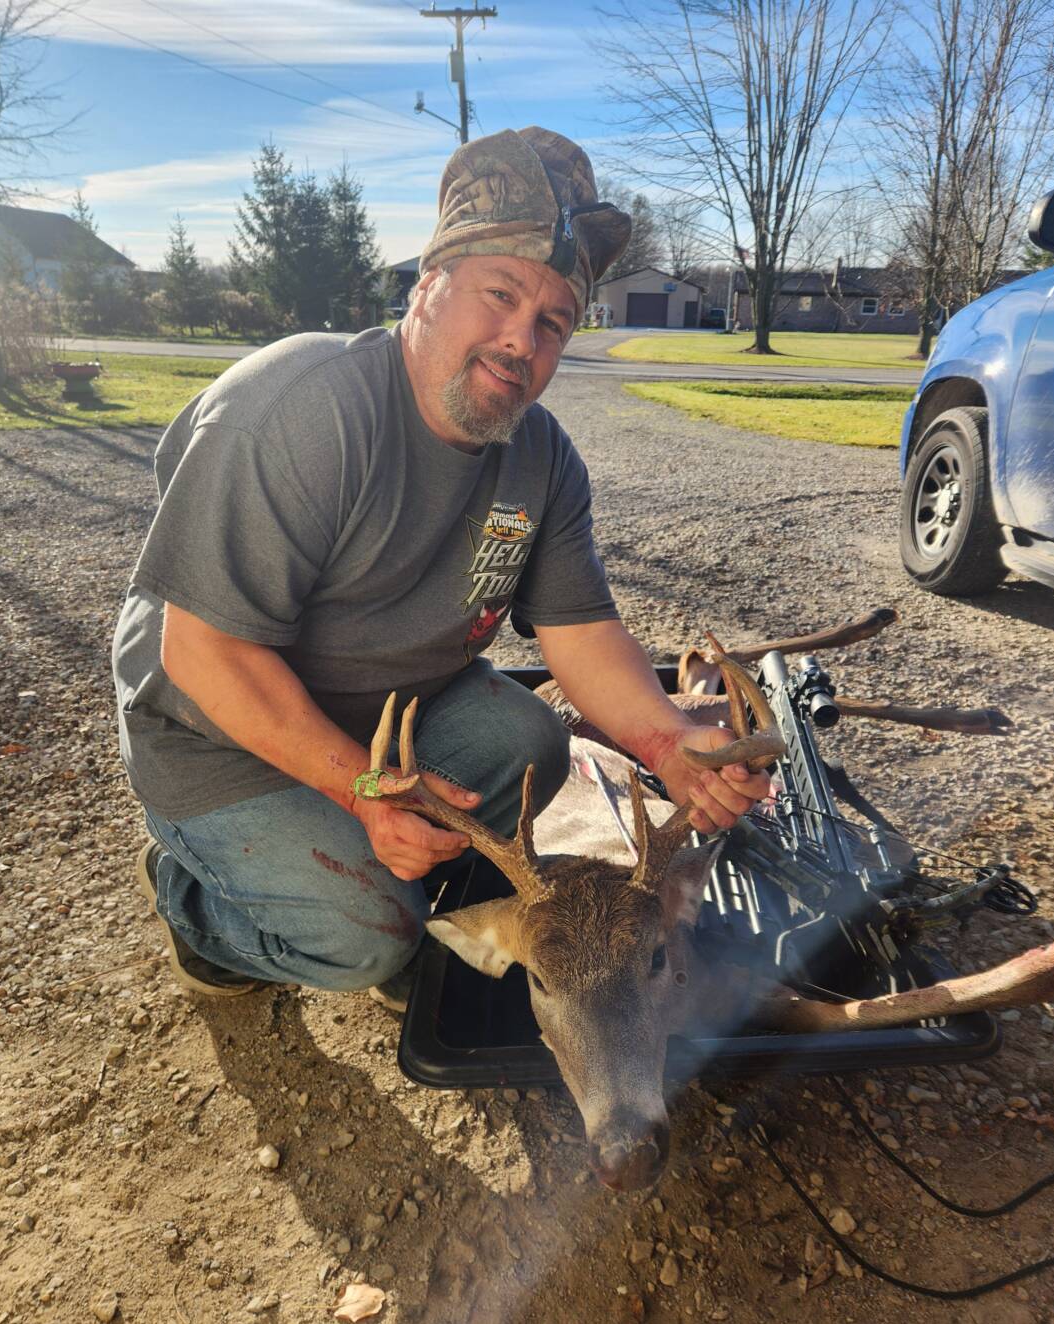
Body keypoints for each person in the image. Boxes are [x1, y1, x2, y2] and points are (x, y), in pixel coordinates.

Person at [112, 126, 768, 1009]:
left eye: (552, 323)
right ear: (428, 285)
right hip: (216, 734)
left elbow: (581, 630)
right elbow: (204, 654)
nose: (520, 340)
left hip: (387, 712)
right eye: (499, 294)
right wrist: (364, 790)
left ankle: (395, 871)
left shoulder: (540, 456)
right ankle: (196, 908)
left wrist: (666, 742)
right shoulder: (303, 411)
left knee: (532, 744)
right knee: (369, 939)